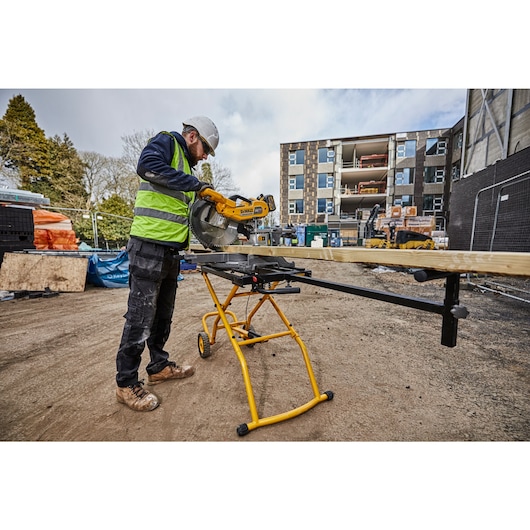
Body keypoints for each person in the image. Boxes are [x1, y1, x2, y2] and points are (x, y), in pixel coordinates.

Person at [115, 116, 219, 411]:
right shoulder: (167, 142)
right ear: (192, 136)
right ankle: (125, 384)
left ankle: (158, 367)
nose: (206, 156)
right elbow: (146, 166)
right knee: (139, 317)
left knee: (162, 315)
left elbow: (183, 210)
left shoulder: (186, 168)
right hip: (148, 245)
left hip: (171, 251)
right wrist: (197, 186)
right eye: (206, 149)